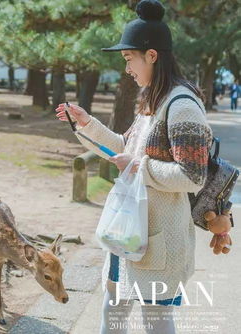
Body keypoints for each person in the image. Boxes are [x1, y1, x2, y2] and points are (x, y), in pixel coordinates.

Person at [56, 1, 220, 333]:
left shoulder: (182, 105)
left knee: (155, 322)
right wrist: (87, 124)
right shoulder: (152, 100)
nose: (127, 68)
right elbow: (124, 149)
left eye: (130, 59)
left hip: (158, 240)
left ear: (152, 56)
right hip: (129, 233)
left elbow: (192, 176)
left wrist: (138, 166)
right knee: (111, 315)